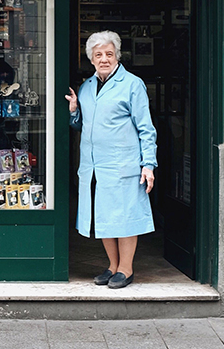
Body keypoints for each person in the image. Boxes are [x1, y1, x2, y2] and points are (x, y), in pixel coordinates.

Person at [66, 30, 157, 290]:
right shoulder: (86, 87)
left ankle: (126, 270)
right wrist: (74, 111)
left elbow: (146, 128)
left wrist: (148, 164)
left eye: (108, 54)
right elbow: (81, 125)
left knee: (125, 217)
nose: (103, 59)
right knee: (103, 216)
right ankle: (112, 266)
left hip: (124, 164)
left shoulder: (132, 84)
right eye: (98, 55)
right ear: (91, 59)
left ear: (117, 55)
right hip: (95, 166)